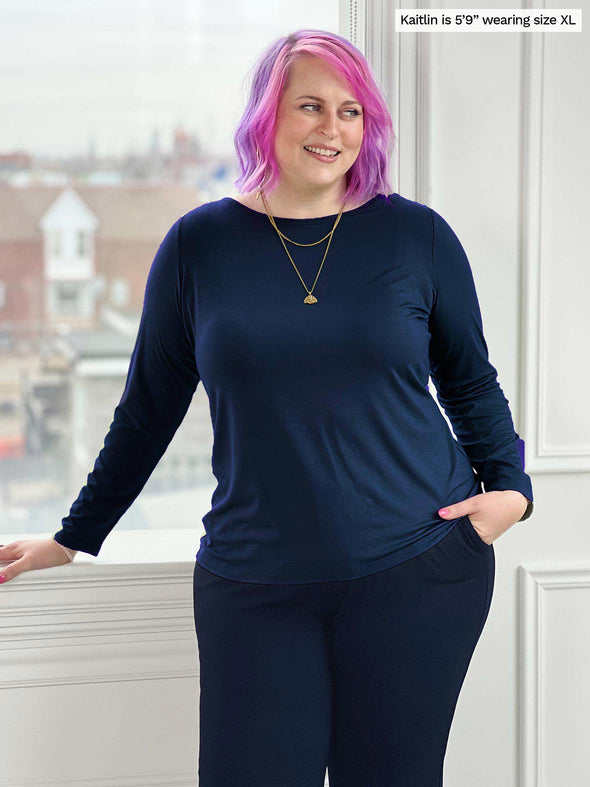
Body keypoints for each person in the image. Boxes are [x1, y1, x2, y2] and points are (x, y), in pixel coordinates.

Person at [0, 28, 533, 787]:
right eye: (310, 106)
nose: (332, 128)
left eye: (351, 111)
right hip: (255, 584)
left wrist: (512, 490)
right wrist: (72, 535)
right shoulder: (198, 246)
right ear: (267, 115)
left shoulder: (417, 236)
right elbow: (148, 407)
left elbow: (471, 380)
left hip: (416, 570)